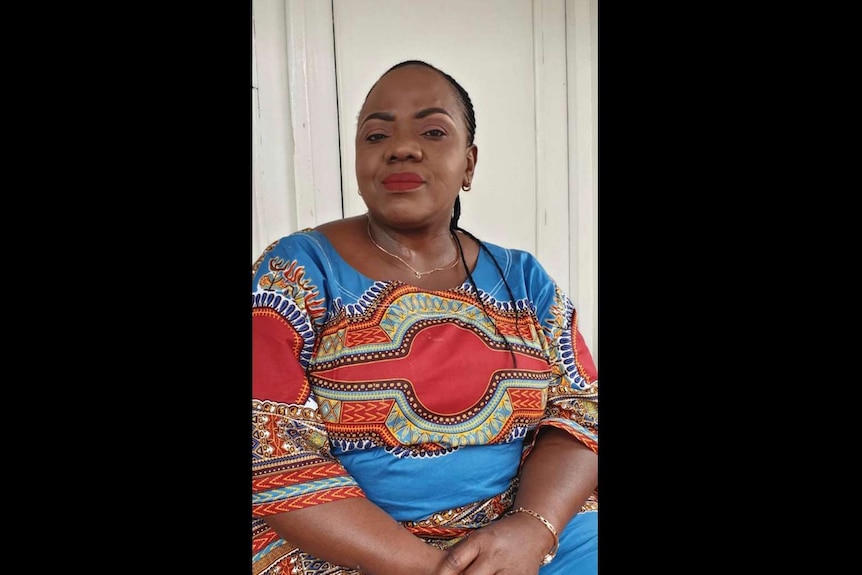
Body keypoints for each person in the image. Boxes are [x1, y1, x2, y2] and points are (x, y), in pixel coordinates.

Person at [252, 59, 598, 575]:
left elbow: (581, 411)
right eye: (376, 135)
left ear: (470, 163)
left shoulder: (523, 278)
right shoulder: (295, 272)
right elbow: (267, 448)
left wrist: (533, 528)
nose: (402, 148)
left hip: (520, 537)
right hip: (343, 547)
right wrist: (430, 569)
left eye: (434, 131)